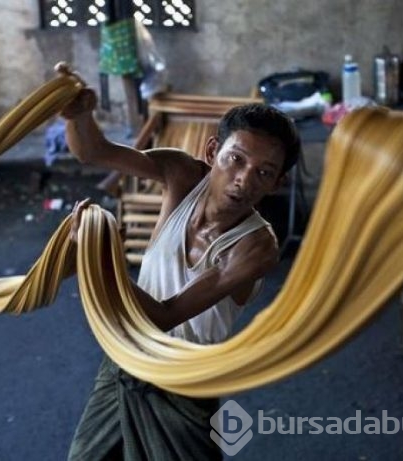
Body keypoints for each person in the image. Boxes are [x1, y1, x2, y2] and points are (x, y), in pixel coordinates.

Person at [61, 85, 300, 461]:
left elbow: (165, 314)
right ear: (211, 152)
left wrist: (98, 259)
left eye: (263, 172)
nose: (244, 179)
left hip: (185, 380)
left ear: (276, 184)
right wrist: (77, 115)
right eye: (235, 159)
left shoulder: (256, 247)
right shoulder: (181, 175)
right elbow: (93, 151)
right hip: (127, 353)